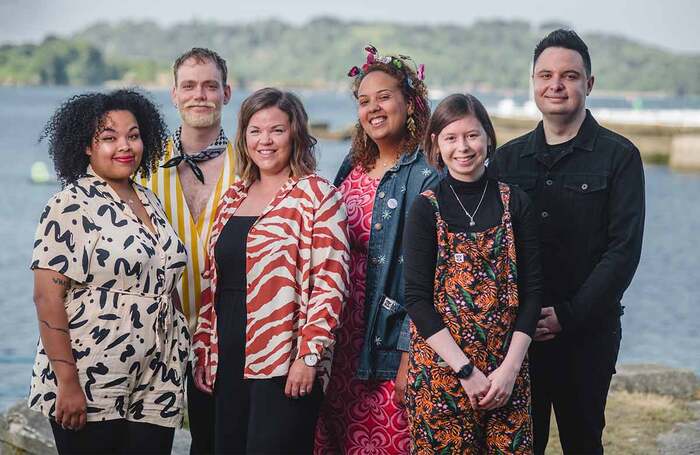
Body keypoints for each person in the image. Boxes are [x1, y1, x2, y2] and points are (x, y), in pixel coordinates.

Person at [489, 29, 645, 454]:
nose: (556, 85)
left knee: (582, 443)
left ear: (589, 84)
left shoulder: (620, 157)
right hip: (517, 339)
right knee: (521, 446)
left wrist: (568, 315)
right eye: (546, 75)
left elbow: (623, 252)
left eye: (570, 75)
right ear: (534, 83)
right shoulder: (506, 159)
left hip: (588, 336)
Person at [29, 89, 189, 454]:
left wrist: (183, 351)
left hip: (159, 374)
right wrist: (67, 382)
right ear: (86, 146)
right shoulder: (70, 204)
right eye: (109, 137)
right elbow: (46, 297)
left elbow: (164, 277)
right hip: (93, 371)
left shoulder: (149, 199)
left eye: (133, 135)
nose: (125, 146)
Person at [192, 87, 350, 454]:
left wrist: (308, 358)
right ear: (243, 137)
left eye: (277, 130)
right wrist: (203, 349)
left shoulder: (317, 195)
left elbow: (331, 283)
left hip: (282, 359)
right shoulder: (234, 195)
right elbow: (212, 281)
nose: (265, 140)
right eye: (255, 130)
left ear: (295, 134)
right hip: (225, 356)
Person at [315, 45, 439, 454]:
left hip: (386, 342)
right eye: (364, 101)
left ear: (410, 103)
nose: (374, 109)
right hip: (340, 337)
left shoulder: (426, 176)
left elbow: (432, 278)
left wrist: (408, 355)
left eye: (384, 97)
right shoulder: (351, 166)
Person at [402, 93, 542, 454]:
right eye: (451, 138)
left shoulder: (516, 202)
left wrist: (510, 370)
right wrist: (466, 372)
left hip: (505, 376)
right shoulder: (426, 208)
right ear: (436, 143)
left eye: (472, 136)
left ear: (488, 138)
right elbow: (416, 300)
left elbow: (533, 292)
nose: (462, 148)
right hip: (442, 375)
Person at [140, 47, 236, 454]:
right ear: (174, 94)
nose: (201, 95)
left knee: (215, 443)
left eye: (210, 86)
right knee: (148, 442)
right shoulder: (142, 164)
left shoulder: (252, 164)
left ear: (227, 94)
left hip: (229, 334)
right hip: (154, 334)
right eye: (190, 86)